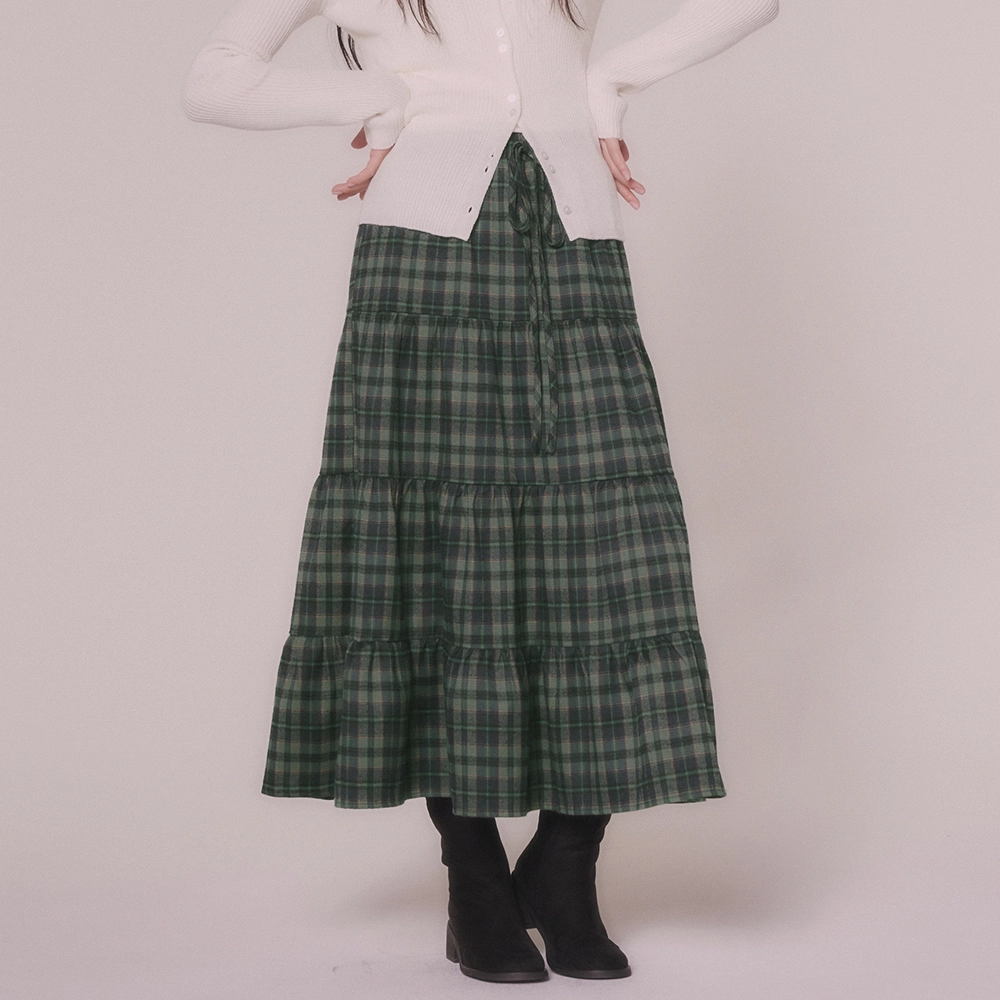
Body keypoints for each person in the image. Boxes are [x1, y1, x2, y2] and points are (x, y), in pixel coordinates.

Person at [182, 0, 779, 983]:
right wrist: (386, 94)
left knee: (605, 548)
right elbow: (214, 80)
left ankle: (565, 866)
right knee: (436, 557)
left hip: (576, 250)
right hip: (421, 262)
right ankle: (474, 882)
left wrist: (606, 83)